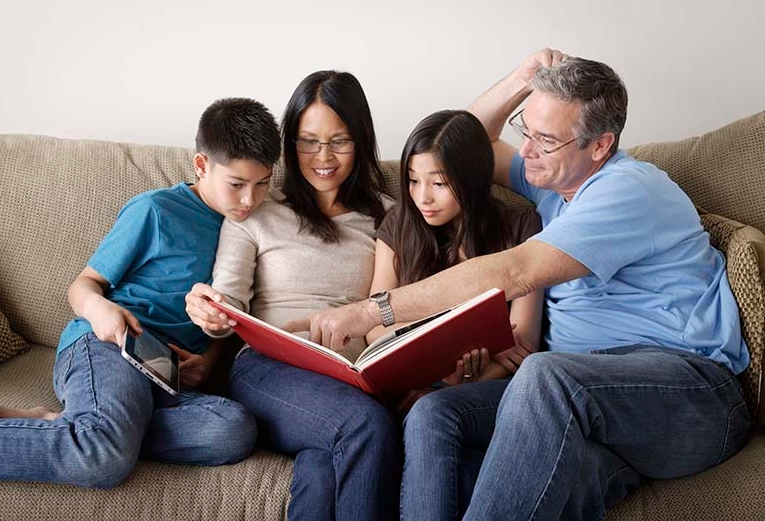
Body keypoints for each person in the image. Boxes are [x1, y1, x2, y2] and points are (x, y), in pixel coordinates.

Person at [294, 49, 752, 520]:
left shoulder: (627, 190)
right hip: (594, 409)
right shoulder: (552, 180)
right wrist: (522, 78)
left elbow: (514, 272)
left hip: (691, 397)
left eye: (546, 139)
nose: (528, 149)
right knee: (435, 413)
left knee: (545, 374)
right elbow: (460, 143)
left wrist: (372, 311)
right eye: (524, 130)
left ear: (599, 145)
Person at [0, 97, 281, 488]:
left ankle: (69, 424)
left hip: (164, 374)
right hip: (107, 347)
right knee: (102, 458)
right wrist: (100, 311)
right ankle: (93, 430)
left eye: (263, 183)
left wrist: (208, 362)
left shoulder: (257, 229)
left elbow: (232, 320)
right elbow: (83, 286)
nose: (251, 199)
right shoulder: (156, 211)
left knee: (233, 429)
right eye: (237, 184)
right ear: (202, 165)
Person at [185, 71, 401, 520]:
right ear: (290, 144)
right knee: (365, 424)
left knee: (324, 468)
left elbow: (393, 310)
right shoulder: (257, 210)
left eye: (339, 141)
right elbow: (227, 299)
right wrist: (209, 312)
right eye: (308, 141)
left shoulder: (390, 218)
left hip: (349, 377)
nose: (323, 157)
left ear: (361, 141)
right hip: (269, 369)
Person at [365, 109, 543, 411]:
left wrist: (469, 380)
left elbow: (521, 342)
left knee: (433, 412)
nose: (422, 198)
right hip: (411, 380)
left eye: (438, 184)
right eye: (412, 180)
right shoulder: (399, 222)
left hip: (490, 386)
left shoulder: (521, 226)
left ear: (471, 179)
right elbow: (375, 327)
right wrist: (465, 347)